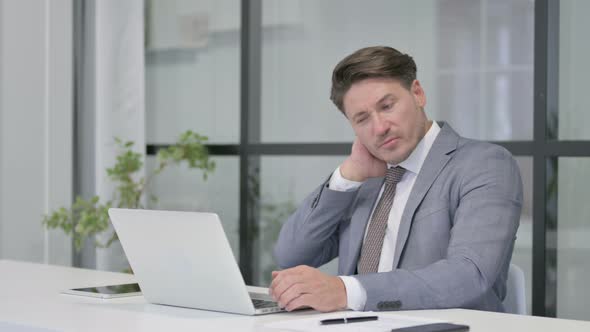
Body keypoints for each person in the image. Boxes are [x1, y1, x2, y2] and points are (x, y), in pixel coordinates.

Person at [269, 46, 523, 313]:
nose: (379, 128)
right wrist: (348, 175)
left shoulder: (483, 164)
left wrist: (347, 291)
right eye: (362, 118)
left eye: (387, 106)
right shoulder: (364, 178)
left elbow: (469, 274)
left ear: (417, 93)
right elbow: (291, 254)